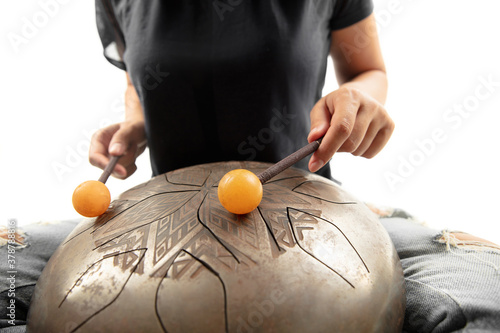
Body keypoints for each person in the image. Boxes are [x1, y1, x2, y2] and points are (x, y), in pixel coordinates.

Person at [1, 1, 498, 332]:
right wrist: (135, 124)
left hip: (317, 211)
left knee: (483, 292)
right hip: (155, 216)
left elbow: (368, 69)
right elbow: (138, 77)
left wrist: (357, 98)